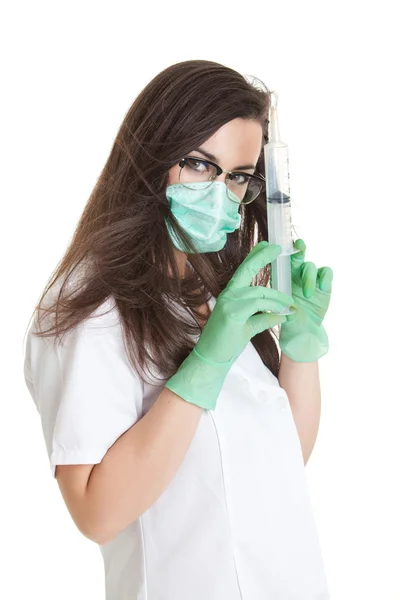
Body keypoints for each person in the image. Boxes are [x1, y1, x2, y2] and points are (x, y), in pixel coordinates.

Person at [23, 59, 334, 600]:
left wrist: (300, 349)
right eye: (197, 164)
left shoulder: (218, 291)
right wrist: (205, 364)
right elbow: (96, 514)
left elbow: (279, 463)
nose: (220, 192)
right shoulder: (88, 306)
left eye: (238, 176)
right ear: (149, 156)